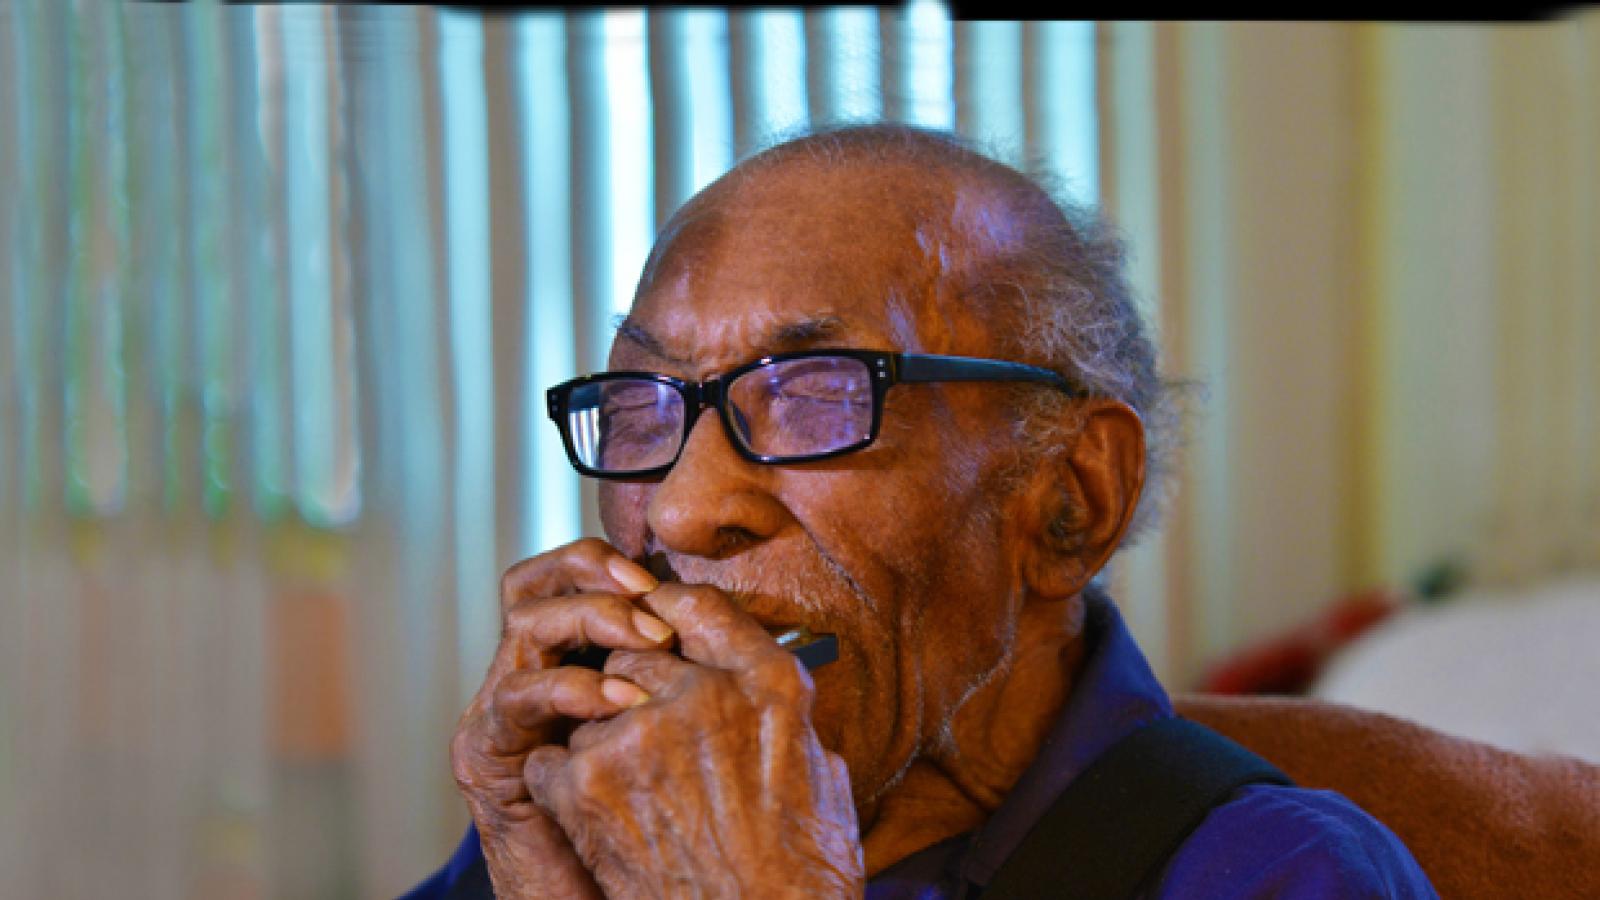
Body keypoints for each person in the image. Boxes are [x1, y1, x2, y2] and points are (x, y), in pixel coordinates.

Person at [407, 123, 1436, 898]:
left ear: (1070, 499)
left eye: (815, 394)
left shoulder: (1274, 871)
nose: (679, 512)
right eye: (642, 406)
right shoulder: (594, 817)